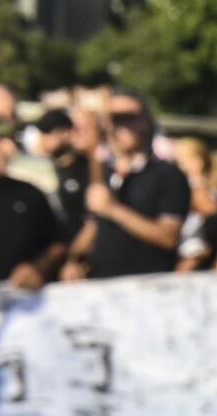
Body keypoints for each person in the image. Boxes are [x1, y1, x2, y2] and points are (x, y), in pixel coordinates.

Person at [63, 90, 190, 280]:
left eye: (129, 117)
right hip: (101, 285)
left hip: (146, 288)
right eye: (113, 118)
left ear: (146, 121)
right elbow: (97, 225)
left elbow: (169, 237)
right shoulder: (105, 172)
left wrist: (113, 209)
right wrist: (74, 260)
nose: (120, 125)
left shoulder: (168, 174)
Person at [0, 109, 64, 289]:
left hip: (20, 311)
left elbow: (57, 243)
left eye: (9, 139)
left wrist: (40, 268)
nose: (9, 148)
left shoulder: (27, 195)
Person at [171, 137, 217, 271]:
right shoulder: (207, 187)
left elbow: (214, 213)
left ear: (198, 162)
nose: (177, 164)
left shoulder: (195, 188)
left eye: (182, 159)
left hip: (191, 254)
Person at [35, 108, 90, 239]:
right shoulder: (42, 170)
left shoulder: (85, 168)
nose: (43, 138)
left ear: (67, 133)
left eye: (48, 132)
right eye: (41, 132)